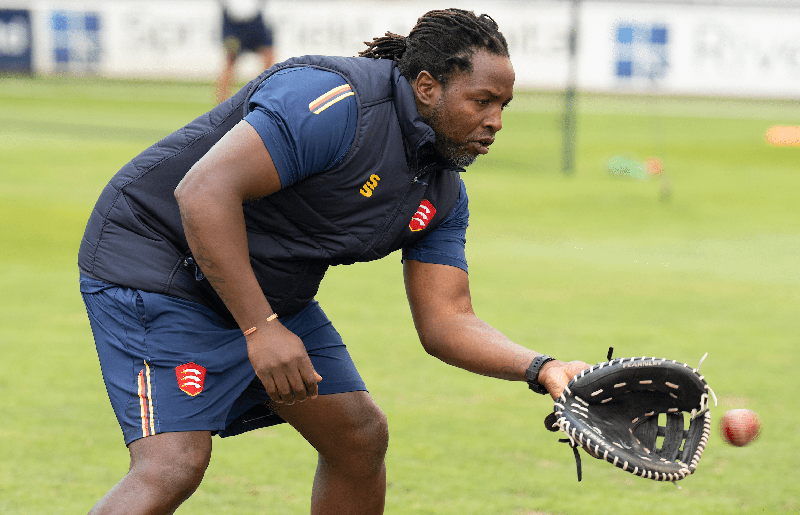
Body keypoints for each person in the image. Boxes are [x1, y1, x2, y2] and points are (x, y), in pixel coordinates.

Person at [78, 8, 589, 514]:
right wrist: (261, 329)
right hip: (156, 261)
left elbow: (447, 320)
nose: (496, 121)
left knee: (358, 437)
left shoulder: (441, 191)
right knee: (173, 464)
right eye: (482, 101)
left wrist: (543, 369)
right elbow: (203, 192)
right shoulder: (335, 103)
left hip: (264, 288)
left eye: (504, 105)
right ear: (428, 86)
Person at [215, 0, 275, 104]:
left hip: (254, 19)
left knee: (268, 57)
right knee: (230, 61)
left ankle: (261, 96)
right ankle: (222, 104)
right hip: (233, 22)